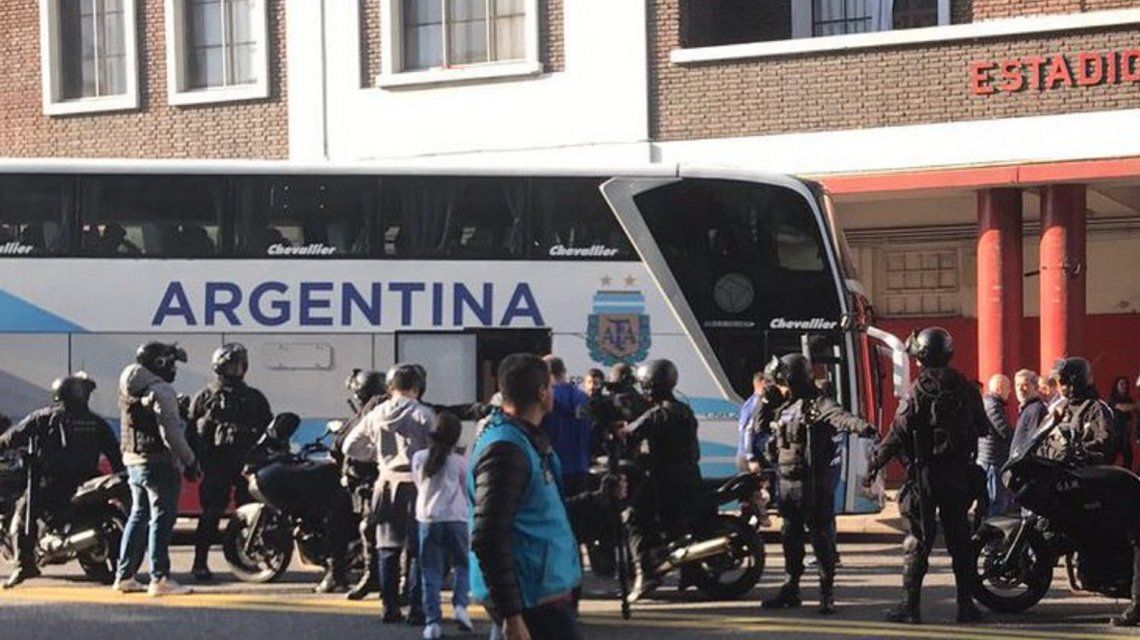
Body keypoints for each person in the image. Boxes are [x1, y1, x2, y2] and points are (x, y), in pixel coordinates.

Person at [469, 353, 621, 640]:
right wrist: (512, 616)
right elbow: (488, 535)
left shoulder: (525, 440)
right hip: (530, 596)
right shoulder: (505, 449)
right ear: (542, 393)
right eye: (549, 387)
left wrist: (599, 499)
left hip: (538, 590)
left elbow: (545, 514)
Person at [866, 327, 987, 625]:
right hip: (958, 475)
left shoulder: (917, 391)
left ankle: (910, 607)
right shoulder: (967, 389)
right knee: (960, 540)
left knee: (917, 542)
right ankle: (965, 606)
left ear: (921, 355)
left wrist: (874, 464)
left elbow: (897, 434)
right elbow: (983, 428)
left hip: (925, 476)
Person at [761, 353, 875, 615]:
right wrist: (765, 398)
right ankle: (791, 587)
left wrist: (862, 427)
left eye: (783, 381)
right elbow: (760, 428)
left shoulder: (819, 404)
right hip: (787, 484)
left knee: (821, 540)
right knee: (790, 537)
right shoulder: (785, 406)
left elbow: (840, 417)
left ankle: (826, 592)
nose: (781, 386)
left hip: (814, 485)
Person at [0, 374, 125, 588]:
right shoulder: (96, 422)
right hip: (88, 481)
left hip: (52, 483)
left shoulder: (44, 417)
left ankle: (24, 564)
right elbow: (115, 454)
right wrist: (120, 473)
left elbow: (11, 438)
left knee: (22, 515)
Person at [343, 363, 435, 622]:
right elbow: (437, 450)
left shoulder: (376, 414)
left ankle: (389, 607)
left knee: (387, 548)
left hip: (385, 483)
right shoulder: (424, 415)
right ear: (417, 386)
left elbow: (351, 446)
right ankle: (417, 609)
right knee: (417, 550)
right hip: (417, 484)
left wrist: (376, 456)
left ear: (390, 387)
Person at [115, 342, 200, 597]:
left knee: (138, 516)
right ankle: (160, 578)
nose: (173, 368)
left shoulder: (129, 385)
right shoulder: (161, 390)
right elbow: (171, 435)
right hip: (158, 463)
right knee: (161, 519)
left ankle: (124, 575)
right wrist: (190, 461)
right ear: (159, 363)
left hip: (133, 460)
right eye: (171, 363)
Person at [187, 343, 273, 582]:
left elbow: (269, 430)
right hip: (216, 465)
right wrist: (191, 463)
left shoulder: (254, 398)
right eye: (231, 365)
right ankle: (200, 563)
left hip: (247, 465)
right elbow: (191, 434)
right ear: (219, 367)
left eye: (239, 365)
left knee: (250, 514)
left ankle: (246, 561)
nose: (236, 370)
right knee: (211, 514)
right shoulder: (205, 397)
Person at [621, 359, 703, 602]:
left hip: (665, 479)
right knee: (672, 523)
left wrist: (616, 431)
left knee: (633, 518)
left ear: (651, 387)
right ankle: (691, 569)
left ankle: (645, 573)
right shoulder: (684, 410)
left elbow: (629, 434)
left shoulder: (658, 414)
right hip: (688, 476)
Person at [412, 413, 474, 640]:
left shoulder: (419, 457)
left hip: (428, 519)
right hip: (456, 518)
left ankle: (433, 622)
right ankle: (460, 606)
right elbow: (467, 489)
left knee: (430, 571)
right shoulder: (459, 461)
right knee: (462, 564)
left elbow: (418, 483)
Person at [337, 368, 386, 600]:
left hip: (371, 480)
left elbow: (345, 444)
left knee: (369, 528)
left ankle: (373, 577)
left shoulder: (375, 411)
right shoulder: (368, 412)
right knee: (368, 529)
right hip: (366, 480)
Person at [1038, 357, 1114, 466]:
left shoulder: (1096, 409)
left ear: (1075, 381)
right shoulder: (1062, 408)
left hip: (1082, 475)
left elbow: (1104, 444)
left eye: (1063, 381)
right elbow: (1044, 438)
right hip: (1056, 471)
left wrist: (1079, 452)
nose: (1059, 385)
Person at [539, 356, 592, 496]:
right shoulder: (583, 397)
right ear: (564, 372)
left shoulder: (543, 399)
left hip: (551, 470)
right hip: (581, 467)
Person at [979, 375, 1014, 516]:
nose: (1010, 392)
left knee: (989, 501)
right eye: (1008, 388)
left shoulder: (987, 403)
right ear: (999, 388)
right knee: (996, 502)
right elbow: (1004, 431)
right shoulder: (993, 406)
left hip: (988, 457)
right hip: (993, 459)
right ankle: (992, 534)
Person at [1010, 369, 1047, 457]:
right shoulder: (1026, 408)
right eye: (1017, 385)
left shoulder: (1036, 409)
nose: (1020, 389)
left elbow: (1032, 442)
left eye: (1025, 385)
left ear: (1036, 387)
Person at [737, 371, 767, 471]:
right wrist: (751, 458)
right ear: (762, 383)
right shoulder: (758, 402)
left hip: (746, 455)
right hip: (752, 458)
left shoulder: (749, 402)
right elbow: (747, 430)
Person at [1109, 376, 1136, 471]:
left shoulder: (1129, 399)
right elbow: (1123, 408)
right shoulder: (1113, 398)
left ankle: (1127, 479)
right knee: (1110, 458)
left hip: (1125, 435)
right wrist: (1137, 406)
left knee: (1128, 457)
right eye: (1121, 384)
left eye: (1125, 384)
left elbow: (1132, 416)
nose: (1124, 386)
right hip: (1114, 434)